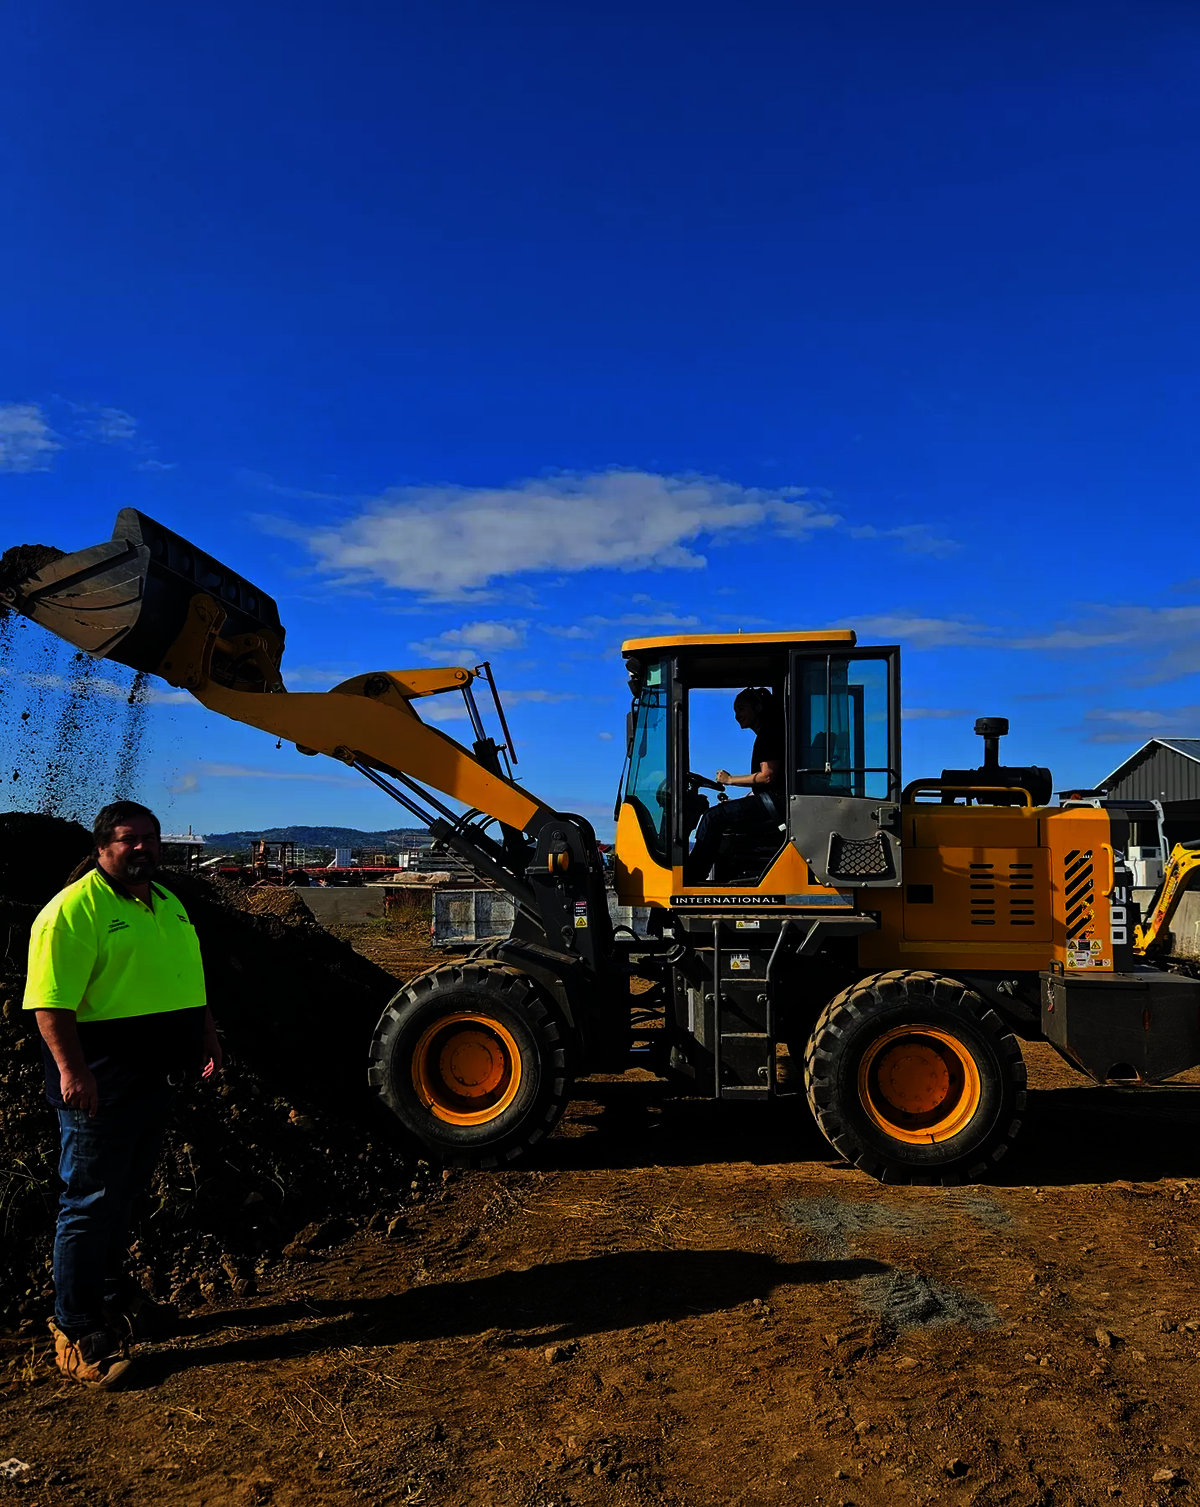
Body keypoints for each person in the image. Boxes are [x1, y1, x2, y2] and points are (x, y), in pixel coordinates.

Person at [24, 801, 221, 1389]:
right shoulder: (72, 912)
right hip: (100, 1086)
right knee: (87, 1204)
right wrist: (72, 1072)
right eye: (129, 840)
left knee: (123, 1195)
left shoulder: (167, 902)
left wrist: (206, 1037)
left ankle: (112, 1295)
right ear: (102, 846)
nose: (143, 848)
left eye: (151, 839)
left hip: (154, 1079)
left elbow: (191, 980)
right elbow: (49, 1003)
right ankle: (76, 1328)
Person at [686, 687, 784, 883]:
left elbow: (767, 777)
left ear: (758, 707)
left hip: (777, 801)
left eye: (741, 709)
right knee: (722, 813)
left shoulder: (769, 735)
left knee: (712, 817)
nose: (737, 715)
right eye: (735, 710)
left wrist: (729, 780)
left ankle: (691, 878)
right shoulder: (768, 734)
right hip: (772, 799)